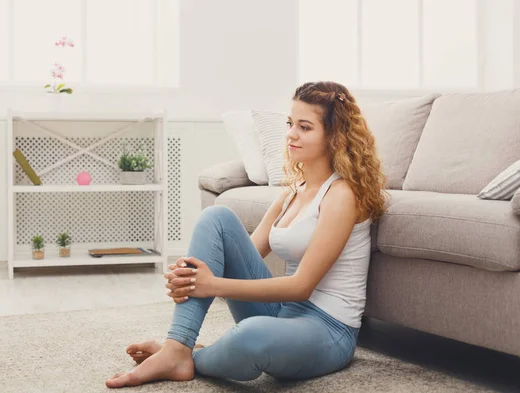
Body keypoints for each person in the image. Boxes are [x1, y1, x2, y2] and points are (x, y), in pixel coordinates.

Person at [105, 81, 388, 388]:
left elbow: (301, 287)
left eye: (305, 127)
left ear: (334, 137)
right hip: (282, 315)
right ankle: (177, 345)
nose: (291, 134)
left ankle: (184, 357)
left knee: (250, 337)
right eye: (290, 123)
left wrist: (210, 284)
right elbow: (237, 257)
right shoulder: (293, 190)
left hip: (328, 330)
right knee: (217, 215)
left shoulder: (342, 195)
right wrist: (189, 279)